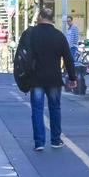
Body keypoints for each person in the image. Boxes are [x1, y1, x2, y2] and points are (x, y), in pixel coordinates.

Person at [21, 8, 76, 151]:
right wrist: (72, 77)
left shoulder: (31, 34)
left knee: (37, 110)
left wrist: (23, 76)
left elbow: (22, 55)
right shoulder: (59, 36)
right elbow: (68, 58)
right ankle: (55, 140)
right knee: (55, 108)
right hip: (53, 78)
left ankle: (39, 142)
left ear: (40, 16)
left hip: (36, 77)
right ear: (52, 19)